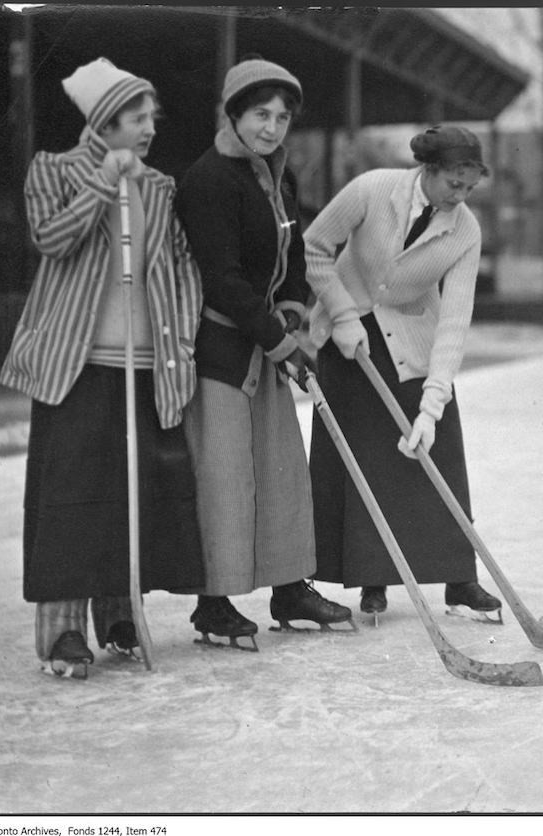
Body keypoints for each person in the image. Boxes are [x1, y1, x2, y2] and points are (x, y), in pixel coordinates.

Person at [0, 58, 204, 678]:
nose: (148, 128)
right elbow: (49, 238)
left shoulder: (161, 187)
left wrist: (183, 336)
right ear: (103, 119)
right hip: (77, 363)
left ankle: (120, 613)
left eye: (151, 118)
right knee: (72, 497)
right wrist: (100, 183)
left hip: (145, 362)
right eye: (136, 117)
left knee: (130, 495)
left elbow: (180, 269)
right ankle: (62, 633)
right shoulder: (54, 169)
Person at [175, 55, 353, 650]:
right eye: (260, 115)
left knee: (280, 472)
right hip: (224, 348)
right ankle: (213, 602)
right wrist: (279, 341)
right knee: (224, 477)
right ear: (233, 114)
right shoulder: (207, 180)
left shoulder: (280, 176)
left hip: (269, 340)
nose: (272, 128)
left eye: (281, 118)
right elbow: (223, 279)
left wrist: (296, 314)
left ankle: (288, 587)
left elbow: (295, 257)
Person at [304, 124, 503, 623]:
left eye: (469, 188)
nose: (460, 196)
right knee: (366, 458)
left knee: (436, 450)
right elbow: (313, 247)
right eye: (452, 184)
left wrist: (433, 407)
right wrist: (343, 313)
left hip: (413, 338)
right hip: (348, 336)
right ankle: (373, 581)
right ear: (427, 170)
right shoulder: (373, 189)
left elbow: (455, 320)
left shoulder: (465, 231)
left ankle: (460, 579)